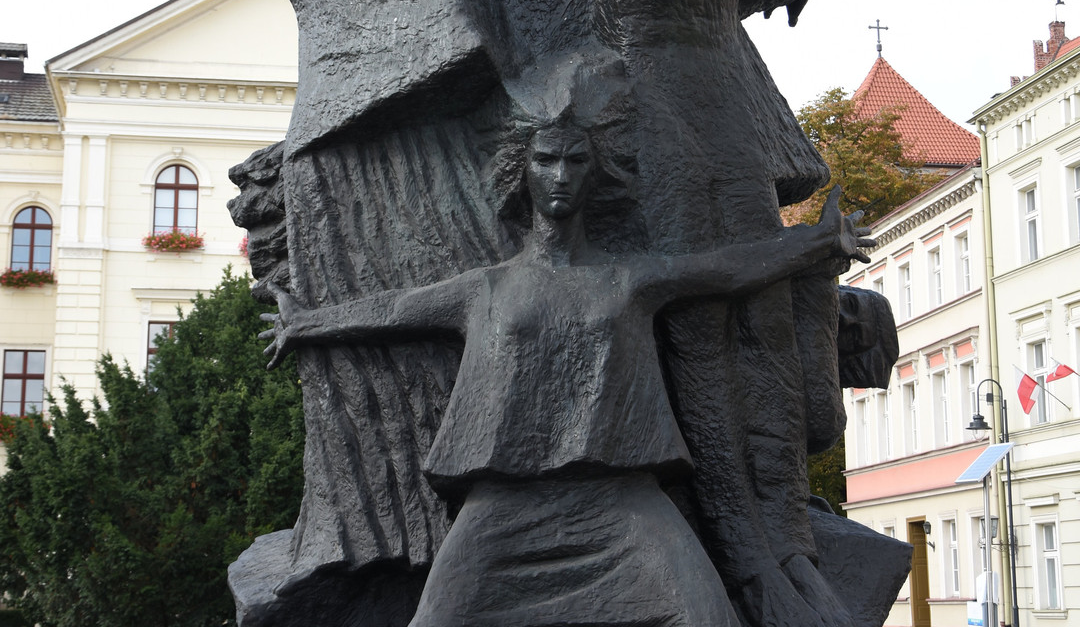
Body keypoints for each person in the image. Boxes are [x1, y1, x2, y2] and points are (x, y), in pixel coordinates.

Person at [259, 115, 873, 626]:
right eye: (547, 160)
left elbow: (727, 268)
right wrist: (302, 323)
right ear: (523, 174)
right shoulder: (486, 290)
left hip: (622, 504)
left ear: (594, 174)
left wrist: (816, 244)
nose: (560, 176)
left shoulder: (631, 279)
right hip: (503, 508)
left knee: (706, 615)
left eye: (576, 161)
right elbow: (392, 310)